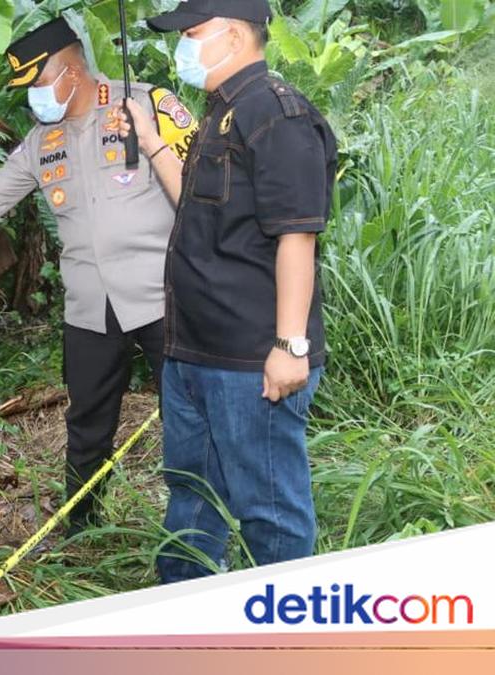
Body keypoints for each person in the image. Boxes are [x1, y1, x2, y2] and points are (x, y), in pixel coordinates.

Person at [0, 17, 198, 537]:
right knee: (87, 424)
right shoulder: (41, 143)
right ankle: (81, 526)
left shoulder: (148, 104)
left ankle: (197, 532)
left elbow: (201, 187)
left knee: (187, 418)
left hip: (165, 298)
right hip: (91, 307)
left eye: (38, 85)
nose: (33, 100)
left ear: (70, 71)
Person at [116, 0, 339, 581]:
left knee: (268, 507)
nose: (183, 46)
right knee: (191, 493)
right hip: (193, 350)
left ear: (235, 36)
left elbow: (297, 235)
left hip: (250, 358)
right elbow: (195, 202)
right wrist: (151, 139)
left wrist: (289, 345)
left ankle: (289, 631)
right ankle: (187, 605)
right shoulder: (222, 112)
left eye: (193, 34)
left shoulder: (278, 116)